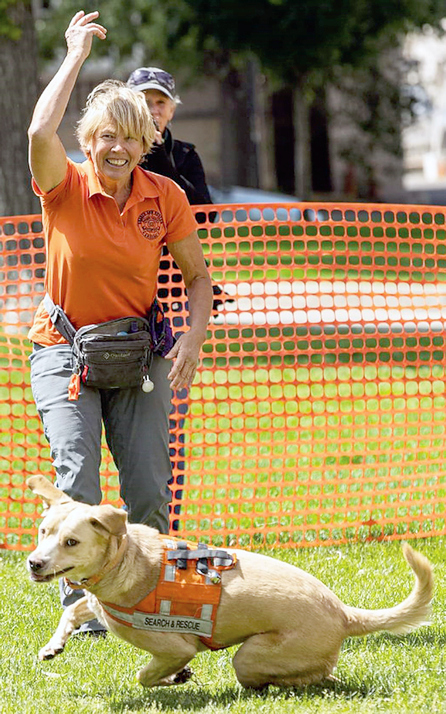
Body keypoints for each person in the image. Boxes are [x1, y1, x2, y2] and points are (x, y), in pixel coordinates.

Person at [27, 10, 213, 633]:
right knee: (76, 473)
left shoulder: (167, 196)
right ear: (89, 140)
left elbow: (197, 277)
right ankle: (79, 610)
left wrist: (191, 336)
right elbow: (36, 130)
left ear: (146, 143)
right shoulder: (64, 185)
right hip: (65, 350)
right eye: (107, 135)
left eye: (131, 138)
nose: (118, 148)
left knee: (149, 491)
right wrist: (76, 53)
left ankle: (146, 605)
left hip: (139, 355)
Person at [126, 66, 213, 206]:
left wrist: (159, 155)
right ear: (128, 109)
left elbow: (204, 213)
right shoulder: (117, 150)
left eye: (161, 102)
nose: (153, 111)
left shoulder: (185, 155)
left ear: (171, 111)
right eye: (145, 102)